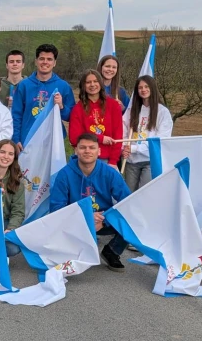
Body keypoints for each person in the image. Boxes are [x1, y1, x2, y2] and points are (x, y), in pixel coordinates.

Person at [50, 133, 131, 270]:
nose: (87, 151)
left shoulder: (110, 173)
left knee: (132, 218)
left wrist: (105, 220)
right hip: (75, 221)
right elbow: (56, 208)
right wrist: (85, 217)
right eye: (83, 147)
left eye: (92, 147)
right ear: (76, 150)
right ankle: (70, 251)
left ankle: (112, 250)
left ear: (99, 151)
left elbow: (128, 202)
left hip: (102, 221)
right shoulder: (64, 174)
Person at [11, 44, 75, 150]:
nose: (45, 62)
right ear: (36, 61)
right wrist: (16, 139)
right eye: (42, 59)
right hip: (28, 140)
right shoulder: (24, 85)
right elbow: (16, 115)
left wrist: (61, 106)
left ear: (54, 63)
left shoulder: (63, 86)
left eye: (49, 59)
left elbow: (71, 116)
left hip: (53, 141)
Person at [122, 75, 174, 191]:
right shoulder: (132, 110)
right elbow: (123, 132)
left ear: (152, 88)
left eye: (146, 86)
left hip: (149, 160)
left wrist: (134, 148)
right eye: (140, 87)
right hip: (131, 161)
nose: (143, 90)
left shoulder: (162, 112)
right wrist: (124, 147)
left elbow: (160, 141)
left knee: (143, 194)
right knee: (129, 194)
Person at [69, 70, 124, 166]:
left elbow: (118, 136)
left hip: (107, 160)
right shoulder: (77, 109)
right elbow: (74, 138)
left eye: (95, 81)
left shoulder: (113, 105)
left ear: (101, 83)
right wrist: (100, 138)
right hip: (85, 160)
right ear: (83, 86)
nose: (92, 84)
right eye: (88, 82)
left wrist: (113, 161)